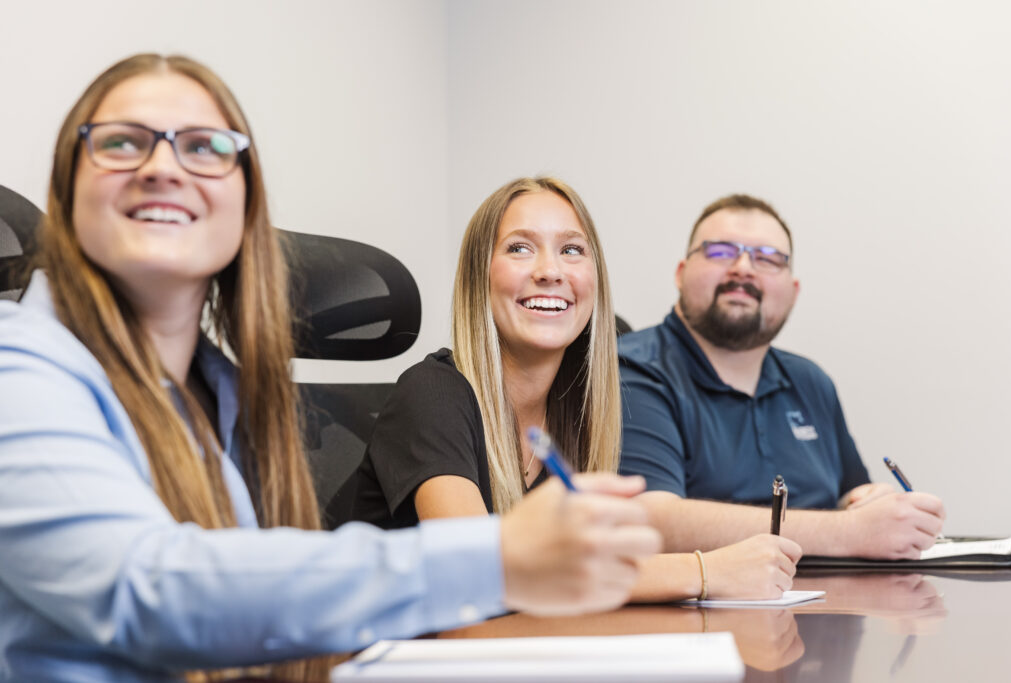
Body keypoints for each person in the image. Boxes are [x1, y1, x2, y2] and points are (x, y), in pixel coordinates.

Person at [0, 55, 662, 682]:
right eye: (121, 142)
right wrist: (496, 557)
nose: (163, 166)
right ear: (65, 192)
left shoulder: (224, 398)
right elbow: (151, 590)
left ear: (245, 209)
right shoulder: (18, 367)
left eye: (204, 147)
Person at [339, 177, 801, 604]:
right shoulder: (432, 394)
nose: (550, 271)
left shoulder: (580, 408)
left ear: (594, 280)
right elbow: (481, 570)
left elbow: (589, 564)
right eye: (520, 248)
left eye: (572, 251)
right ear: (479, 277)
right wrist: (705, 572)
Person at [617, 193, 945, 560]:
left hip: (833, 607)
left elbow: (851, 495)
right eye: (721, 251)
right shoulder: (632, 369)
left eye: (768, 259)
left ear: (793, 292)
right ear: (680, 273)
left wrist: (870, 502)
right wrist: (851, 531)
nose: (742, 268)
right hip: (706, 615)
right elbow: (650, 521)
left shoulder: (810, 381)